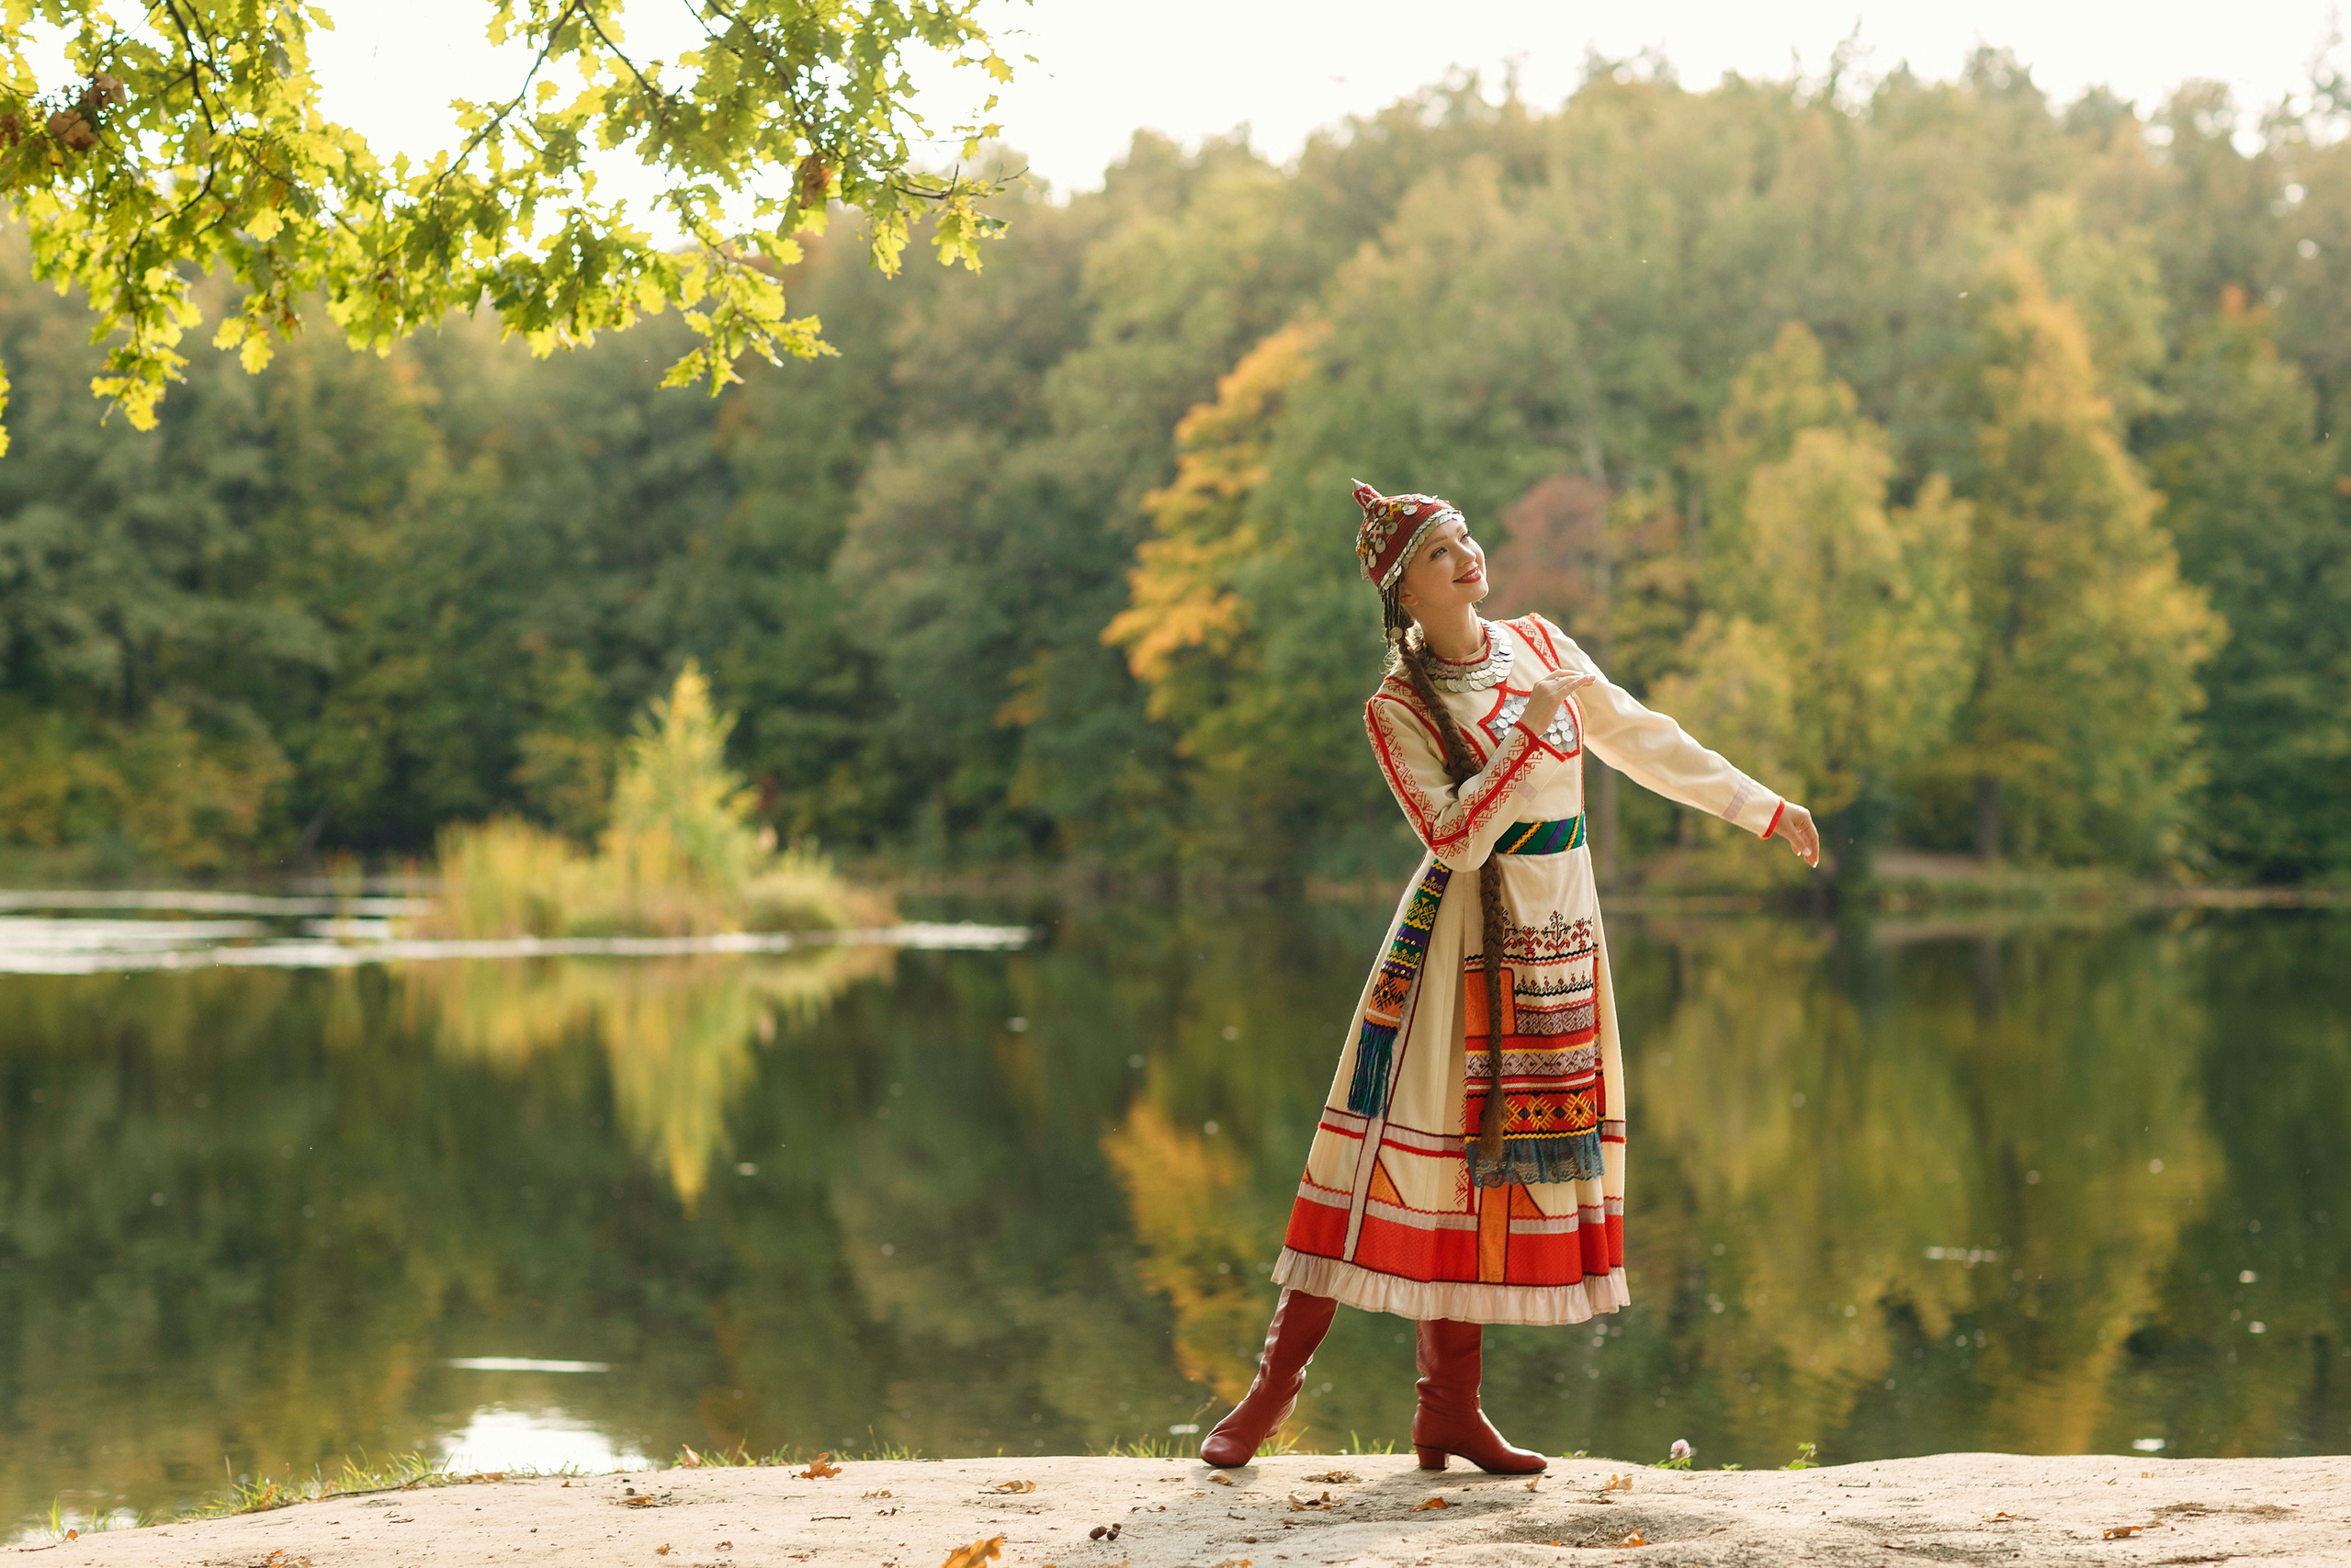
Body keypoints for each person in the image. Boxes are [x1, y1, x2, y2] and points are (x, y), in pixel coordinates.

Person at [1199, 480, 1820, 1474]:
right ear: (1407, 591)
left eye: (1468, 540)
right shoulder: (1399, 707)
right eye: (1444, 554)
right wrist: (1526, 729)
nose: (1470, 558)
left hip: (1559, 931)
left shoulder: (1541, 643)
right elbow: (1453, 838)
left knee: (1482, 1172)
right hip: (1452, 952)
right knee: (1368, 1158)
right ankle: (1273, 1390)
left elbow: (1641, 737)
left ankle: (1448, 1410)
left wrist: (1761, 808)